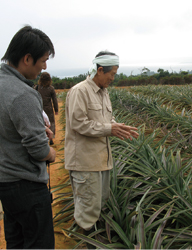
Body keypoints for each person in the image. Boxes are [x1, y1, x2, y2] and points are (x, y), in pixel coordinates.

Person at [65, 51, 139, 237]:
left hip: (101, 160)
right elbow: (78, 123)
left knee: (100, 203)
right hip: (85, 162)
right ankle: (89, 242)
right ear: (99, 70)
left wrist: (116, 126)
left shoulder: (104, 93)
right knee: (88, 208)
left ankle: (96, 238)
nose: (113, 78)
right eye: (112, 73)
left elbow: (107, 119)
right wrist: (109, 129)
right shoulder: (79, 91)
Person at [0, 25, 56, 249]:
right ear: (26, 58)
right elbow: (38, 150)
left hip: (6, 183)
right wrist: (50, 152)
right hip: (27, 186)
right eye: (43, 60)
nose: (44, 66)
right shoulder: (23, 93)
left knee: (16, 242)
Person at [37, 72, 58, 145]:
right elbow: (54, 100)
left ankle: (43, 138)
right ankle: (51, 138)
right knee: (50, 123)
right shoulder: (51, 88)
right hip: (49, 109)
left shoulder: (37, 88)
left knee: (41, 123)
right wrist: (56, 110)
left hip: (39, 108)